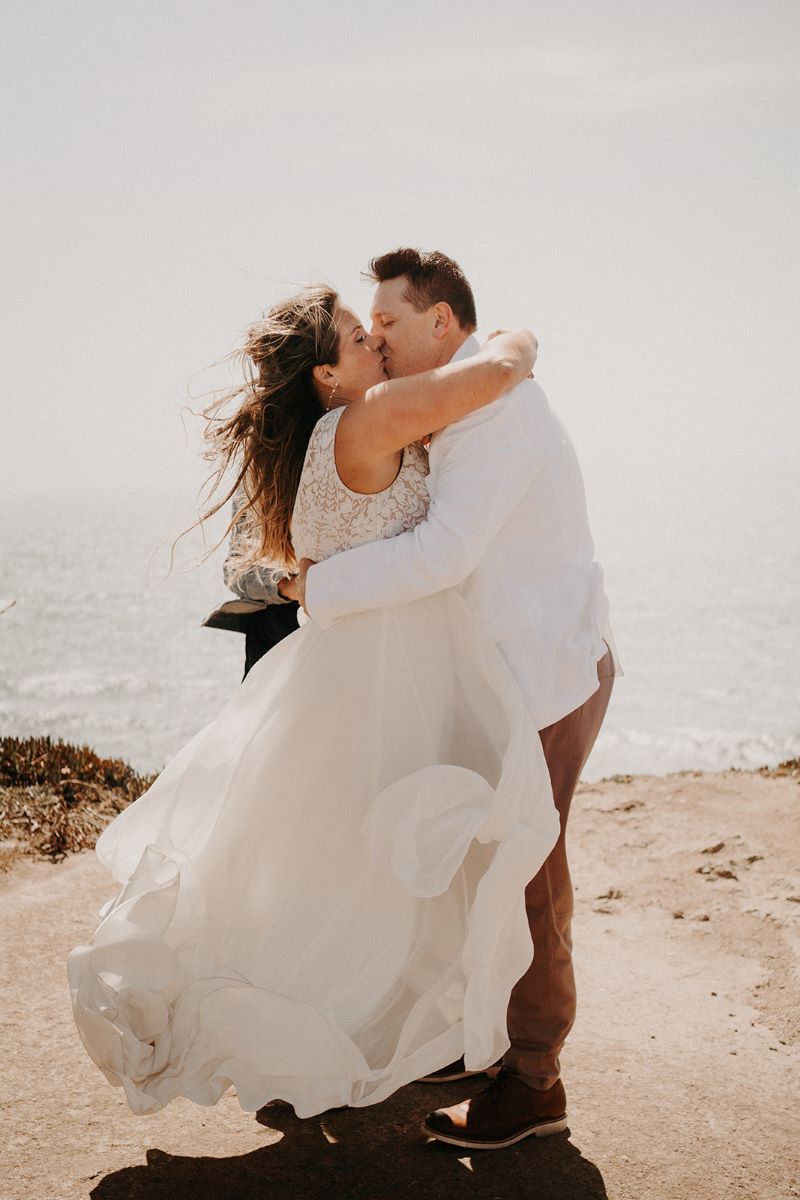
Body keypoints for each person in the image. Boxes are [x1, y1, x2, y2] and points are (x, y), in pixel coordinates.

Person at [67, 284, 561, 1122]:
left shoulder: (334, 431)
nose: (377, 342)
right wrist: (518, 343)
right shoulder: (365, 422)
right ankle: (343, 1048)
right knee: (376, 878)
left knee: (334, 879)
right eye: (359, 339)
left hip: (355, 670)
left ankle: (313, 1052)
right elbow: (488, 379)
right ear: (327, 376)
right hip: (378, 675)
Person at [294, 248, 620, 1150]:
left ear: (444, 323)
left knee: (529, 882)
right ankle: (480, 1042)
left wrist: (314, 590)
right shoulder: (462, 405)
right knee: (475, 869)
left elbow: (443, 555)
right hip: (505, 675)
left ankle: (533, 1083)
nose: (380, 341)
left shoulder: (500, 414)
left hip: (547, 675)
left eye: (389, 323)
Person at [202, 486, 299, 679]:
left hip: (346, 626)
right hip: (276, 633)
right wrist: (285, 585)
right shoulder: (258, 475)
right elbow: (235, 571)